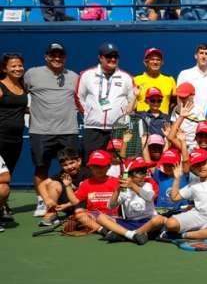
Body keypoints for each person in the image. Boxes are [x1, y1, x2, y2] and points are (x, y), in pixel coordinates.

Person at [25, 43, 80, 208]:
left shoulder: (74, 77)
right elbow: (18, 93)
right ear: (46, 56)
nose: (57, 58)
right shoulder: (32, 74)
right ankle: (43, 201)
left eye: (60, 55)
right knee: (42, 168)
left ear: (65, 57)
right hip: (41, 131)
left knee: (70, 168)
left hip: (68, 130)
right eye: (53, 55)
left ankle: (69, 200)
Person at [75, 43, 135, 161]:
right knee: (92, 164)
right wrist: (89, 114)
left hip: (117, 129)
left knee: (117, 165)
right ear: (100, 57)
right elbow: (78, 97)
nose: (112, 59)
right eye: (109, 56)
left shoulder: (126, 77)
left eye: (115, 57)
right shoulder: (87, 75)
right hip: (93, 129)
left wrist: (123, 118)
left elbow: (132, 101)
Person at [95, 156, 159, 245]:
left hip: (148, 222)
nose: (144, 175)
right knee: (100, 217)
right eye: (140, 172)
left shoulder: (147, 185)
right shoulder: (124, 190)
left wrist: (132, 185)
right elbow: (110, 206)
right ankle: (132, 235)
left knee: (159, 219)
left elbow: (149, 197)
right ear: (129, 175)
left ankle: (124, 234)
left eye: (144, 171)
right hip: (130, 222)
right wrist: (117, 190)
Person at [63, 150, 120, 235]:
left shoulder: (117, 182)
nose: (98, 169)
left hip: (113, 216)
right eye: (95, 166)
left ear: (108, 166)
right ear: (90, 167)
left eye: (101, 166)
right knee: (80, 214)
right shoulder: (86, 183)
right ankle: (102, 230)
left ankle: (101, 227)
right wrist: (68, 186)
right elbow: (75, 201)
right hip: (94, 216)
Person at [35, 147, 90, 226]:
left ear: (79, 161)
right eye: (65, 165)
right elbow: (41, 185)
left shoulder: (87, 173)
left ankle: (76, 216)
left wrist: (67, 205)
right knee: (54, 184)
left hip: (83, 204)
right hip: (69, 205)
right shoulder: (62, 174)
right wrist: (47, 200)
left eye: (72, 163)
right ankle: (52, 214)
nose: (69, 167)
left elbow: (84, 196)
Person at [0, 53, 26, 218]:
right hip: (0, 138)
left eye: (20, 65)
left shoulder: (23, 86)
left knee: (7, 176)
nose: (17, 68)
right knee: (3, 178)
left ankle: (2, 206)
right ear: (4, 69)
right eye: (13, 66)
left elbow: (20, 109)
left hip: (15, 140)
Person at [176, 43, 207, 118]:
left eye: (206, 54)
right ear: (196, 56)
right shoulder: (185, 74)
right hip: (188, 122)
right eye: (201, 53)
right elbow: (179, 99)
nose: (203, 56)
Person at [134, 47, 176, 113]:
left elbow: (175, 103)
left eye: (158, 60)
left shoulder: (170, 80)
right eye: (152, 59)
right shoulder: (136, 80)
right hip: (142, 121)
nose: (155, 62)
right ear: (145, 62)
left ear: (162, 63)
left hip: (163, 121)